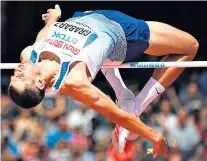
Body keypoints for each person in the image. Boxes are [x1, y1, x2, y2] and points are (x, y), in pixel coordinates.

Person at [8, 5, 168, 159]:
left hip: (85, 17)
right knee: (190, 47)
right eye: (20, 77)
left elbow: (42, 37)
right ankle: (135, 104)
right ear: (40, 83)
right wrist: (154, 136)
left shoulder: (28, 55)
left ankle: (124, 96)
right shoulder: (74, 81)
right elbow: (114, 113)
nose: (17, 71)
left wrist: (52, 20)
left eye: (14, 75)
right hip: (120, 30)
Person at [71, 9, 198, 151]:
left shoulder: (59, 59)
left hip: (101, 28)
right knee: (191, 47)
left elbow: (101, 55)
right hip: (112, 27)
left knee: (100, 51)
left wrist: (122, 93)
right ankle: (135, 107)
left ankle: (130, 104)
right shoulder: (53, 42)